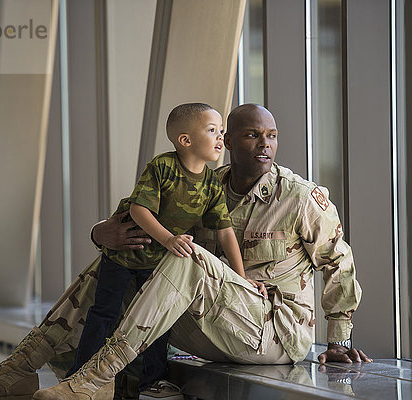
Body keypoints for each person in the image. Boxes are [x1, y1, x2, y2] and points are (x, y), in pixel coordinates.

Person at [0, 104, 370, 400]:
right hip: (215, 321)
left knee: (186, 255)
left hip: (273, 332)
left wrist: (339, 339)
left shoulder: (298, 197)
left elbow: (339, 263)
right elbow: (135, 216)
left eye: (272, 136)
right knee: (124, 253)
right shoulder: (205, 183)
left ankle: (95, 377)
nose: (265, 144)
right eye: (251, 134)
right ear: (226, 140)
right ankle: (20, 370)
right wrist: (101, 234)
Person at [65, 102, 263, 389]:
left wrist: (241, 279)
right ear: (186, 140)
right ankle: (80, 374)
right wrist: (169, 239)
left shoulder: (210, 184)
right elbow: (138, 211)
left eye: (221, 131)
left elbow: (225, 232)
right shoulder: (163, 167)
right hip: (123, 256)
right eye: (212, 131)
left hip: (157, 262)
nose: (221, 137)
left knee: (157, 321)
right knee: (105, 314)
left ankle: (153, 380)